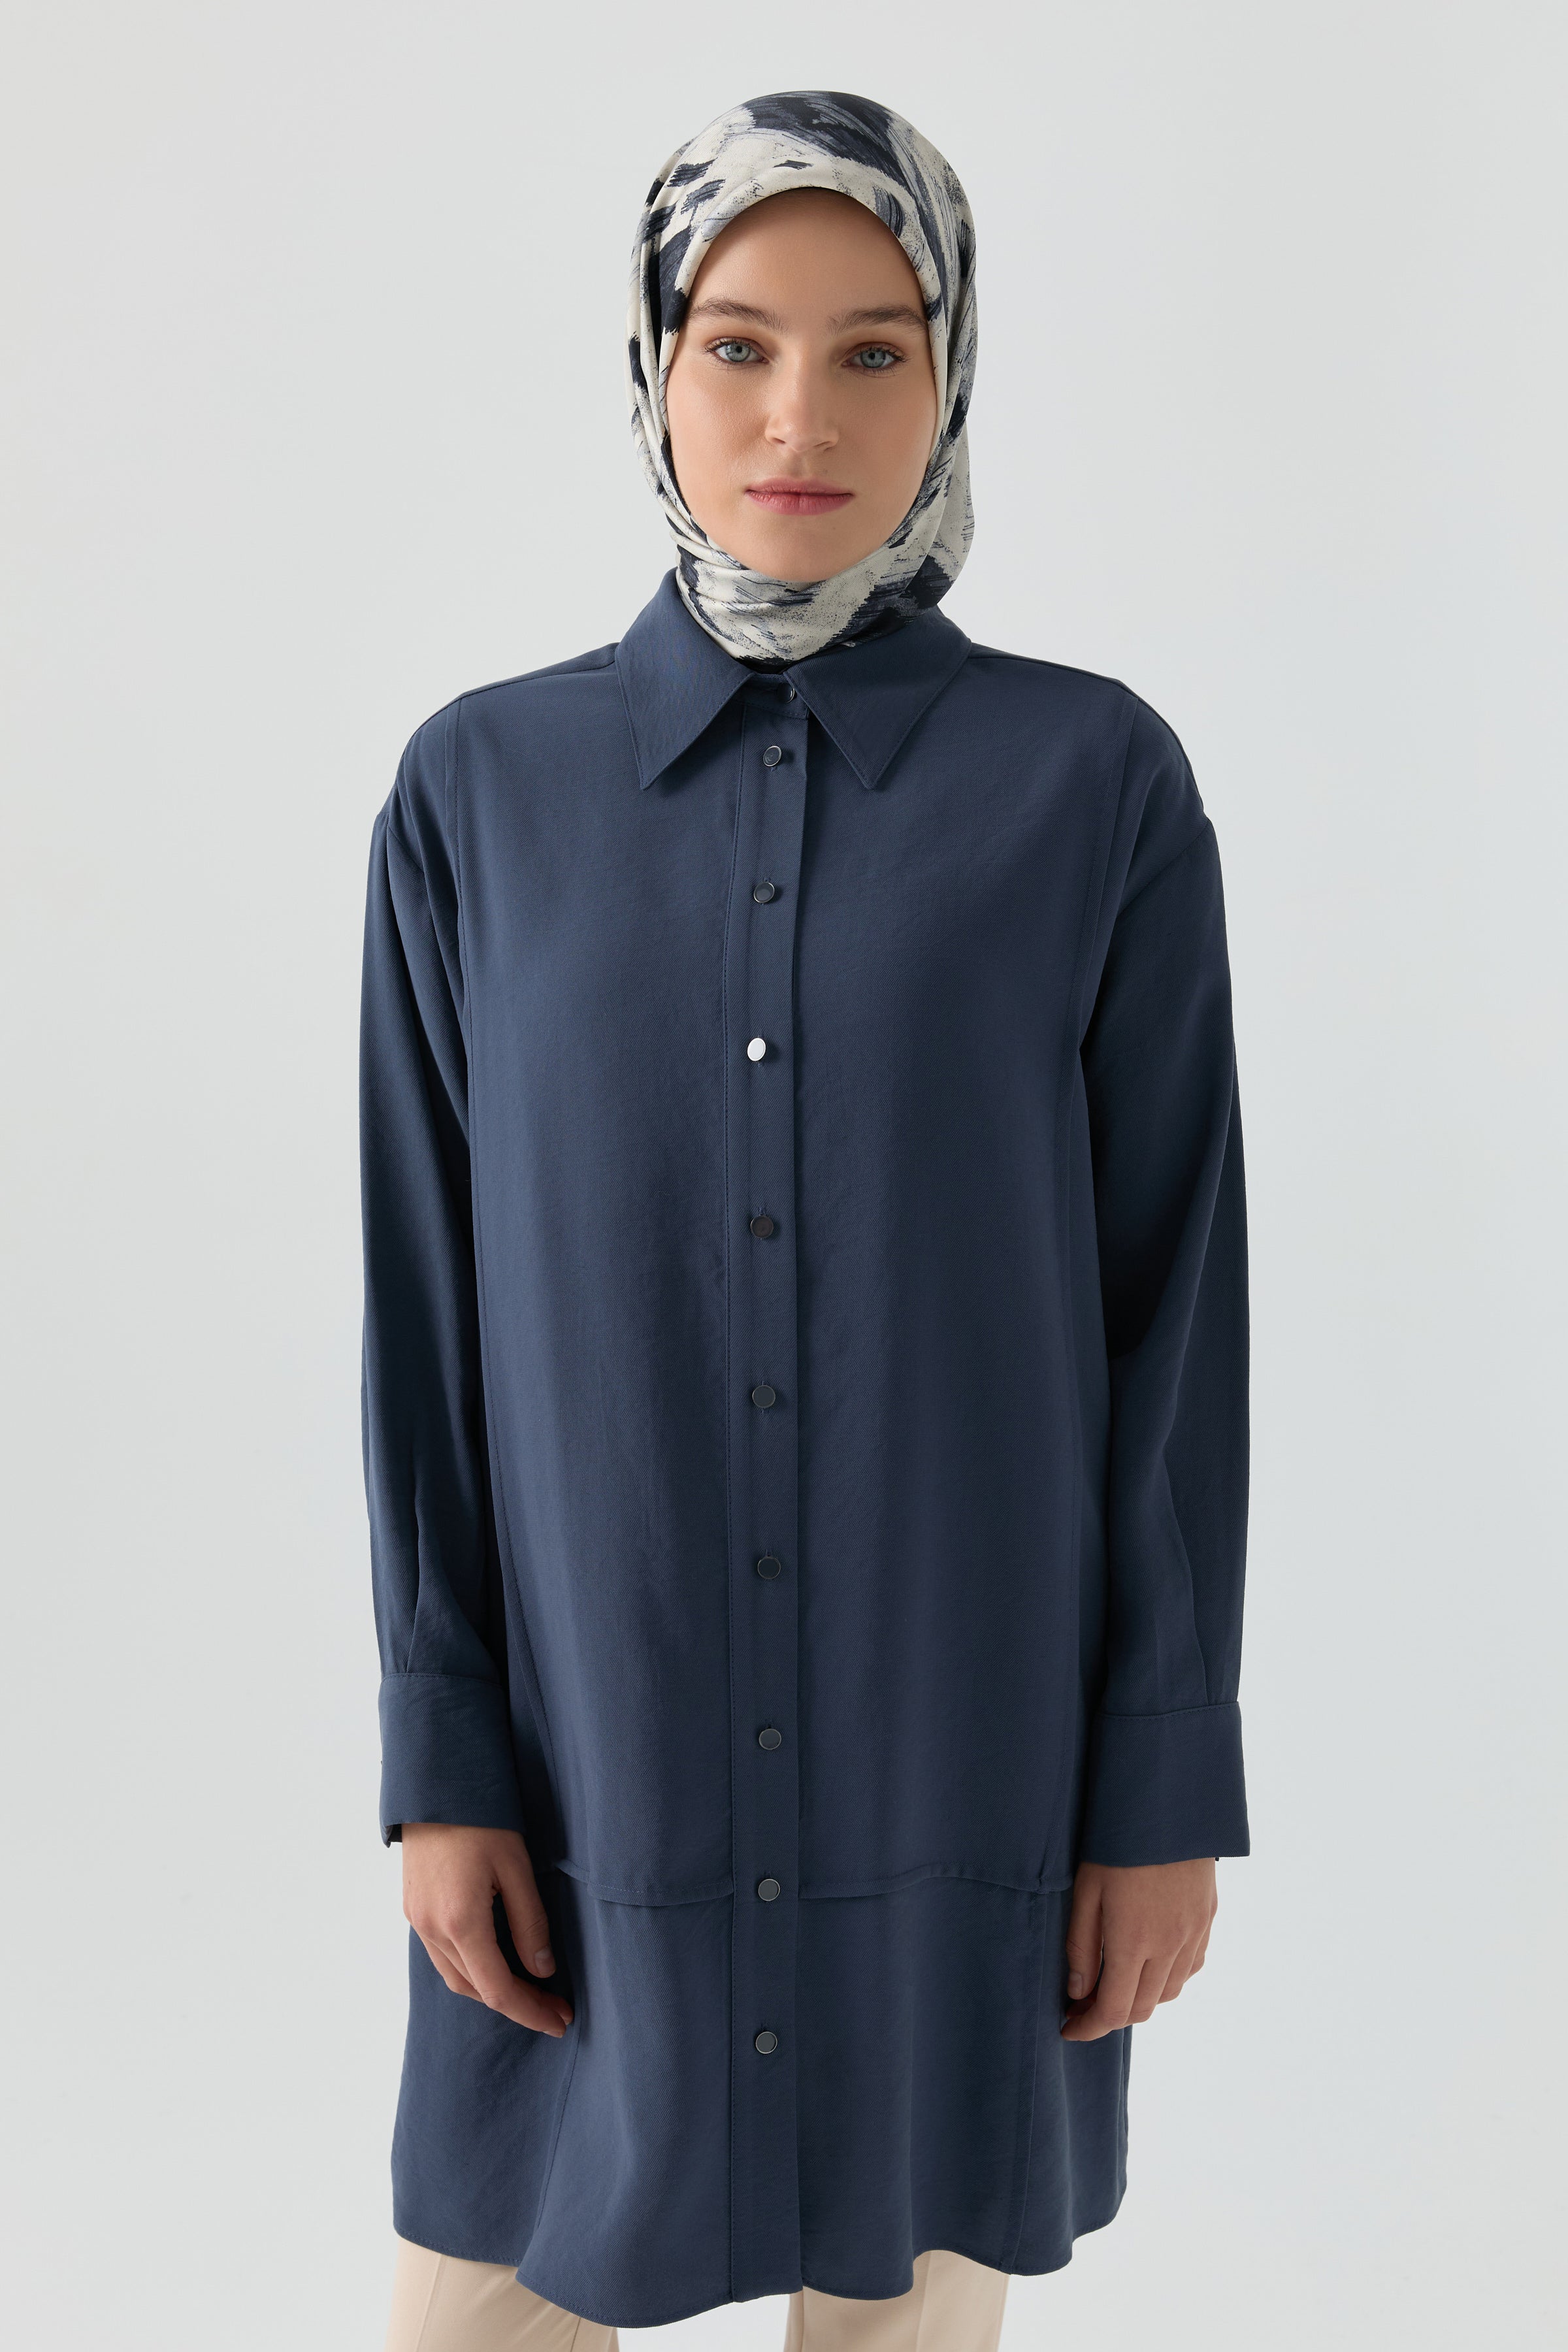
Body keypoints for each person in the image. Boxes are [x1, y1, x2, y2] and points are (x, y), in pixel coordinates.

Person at [361, 90, 1250, 2352]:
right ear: (651, 364)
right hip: (588, 1768)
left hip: (966, 1765)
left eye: (875, 350)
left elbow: (1172, 1316)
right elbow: (425, 1318)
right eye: (739, 344)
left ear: (955, 373)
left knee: (910, 2300)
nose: (800, 418)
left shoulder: (1095, 784)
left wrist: (1159, 1785)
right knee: (477, 2301)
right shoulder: (480, 792)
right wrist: (441, 1754)